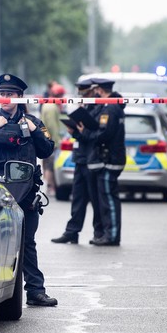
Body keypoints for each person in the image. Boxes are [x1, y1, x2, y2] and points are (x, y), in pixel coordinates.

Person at [0, 73, 58, 307]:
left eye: (10, 94)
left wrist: (33, 130)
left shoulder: (33, 122)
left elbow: (46, 151)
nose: (5, 98)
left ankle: (35, 291)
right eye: (2, 94)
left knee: (27, 242)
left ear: (20, 97)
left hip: (26, 194)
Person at [51, 77, 108, 245]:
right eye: (80, 91)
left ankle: (99, 231)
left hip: (92, 158)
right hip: (80, 157)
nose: (81, 94)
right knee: (77, 198)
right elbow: (83, 135)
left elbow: (95, 135)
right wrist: (74, 130)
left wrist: (81, 130)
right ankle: (72, 232)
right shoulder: (84, 107)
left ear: (93, 91)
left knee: (95, 199)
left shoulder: (99, 108)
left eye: (85, 91)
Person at [88, 77, 126, 246]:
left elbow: (104, 134)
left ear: (100, 91)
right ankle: (110, 234)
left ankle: (112, 235)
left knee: (109, 200)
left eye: (96, 90)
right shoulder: (114, 105)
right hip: (111, 157)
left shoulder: (109, 108)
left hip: (110, 159)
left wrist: (88, 136)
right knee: (106, 198)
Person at [39, 80, 65, 194]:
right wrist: (55, 141)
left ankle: (50, 185)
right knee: (50, 164)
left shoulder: (47, 104)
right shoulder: (52, 107)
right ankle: (50, 186)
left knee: (47, 163)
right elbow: (52, 126)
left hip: (45, 138)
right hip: (50, 140)